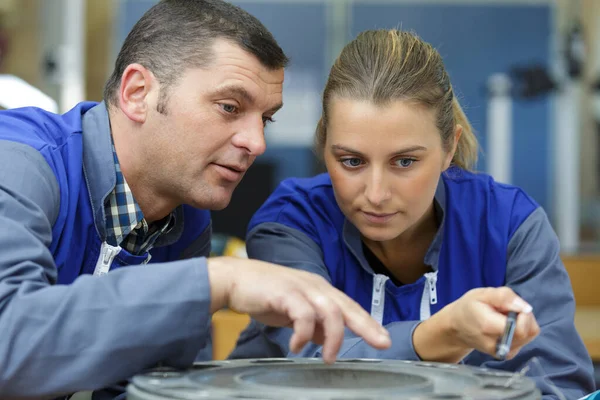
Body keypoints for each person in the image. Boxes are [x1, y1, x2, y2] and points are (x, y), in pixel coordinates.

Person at [0, 1, 392, 398]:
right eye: (229, 107)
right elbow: (7, 344)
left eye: (265, 119)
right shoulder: (17, 162)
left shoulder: (184, 221)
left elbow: (154, 386)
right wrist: (219, 280)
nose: (256, 143)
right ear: (138, 93)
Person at [229, 29, 596, 399]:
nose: (376, 194)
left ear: (449, 147)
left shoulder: (510, 225)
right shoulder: (291, 223)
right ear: (324, 149)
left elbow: (558, 385)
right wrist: (442, 335)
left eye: (404, 161)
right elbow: (320, 366)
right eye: (351, 161)